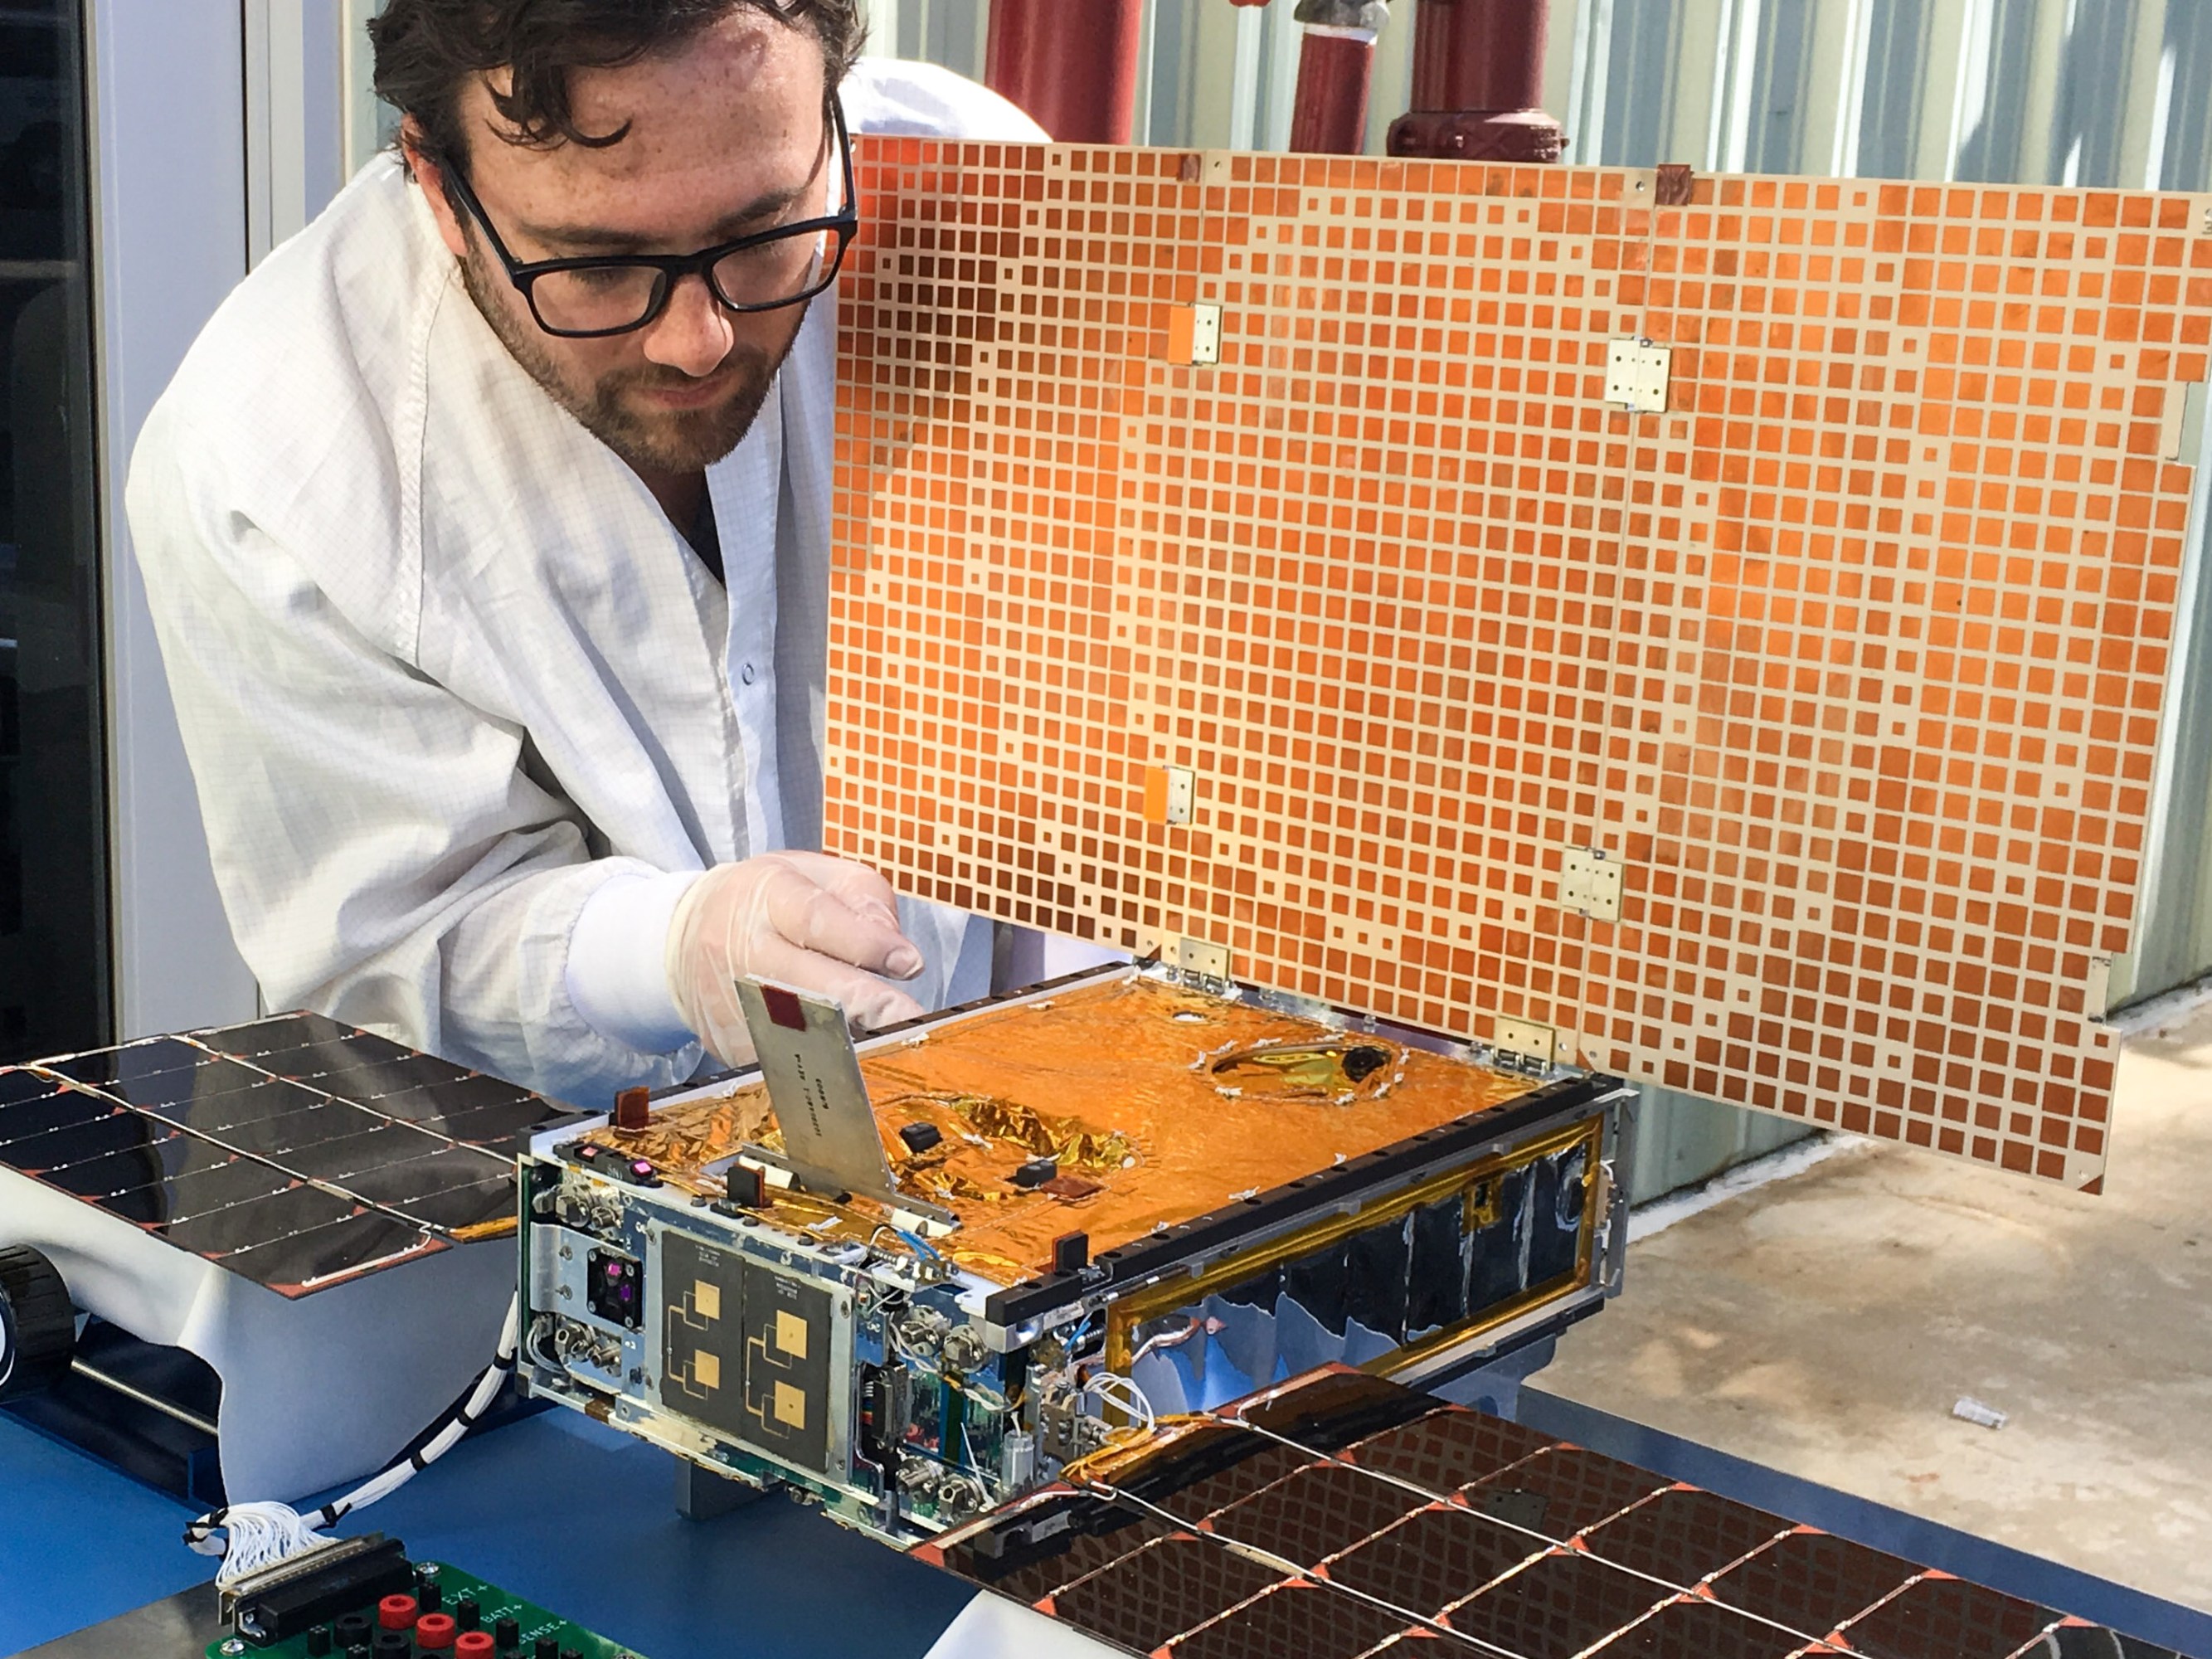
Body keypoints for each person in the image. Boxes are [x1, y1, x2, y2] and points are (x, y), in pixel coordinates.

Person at [124, 1, 1045, 1106]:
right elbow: (395, 951)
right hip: (564, 1206)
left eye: (765, 229)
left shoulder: (991, 196)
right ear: (438, 185)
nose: (696, 337)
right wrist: (668, 953)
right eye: (599, 266)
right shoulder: (273, 456)